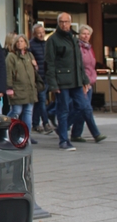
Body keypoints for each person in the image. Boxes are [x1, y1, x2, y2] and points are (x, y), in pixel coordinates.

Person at [45, 13, 106, 151]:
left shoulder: (73, 38)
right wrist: (53, 84)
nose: (64, 24)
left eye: (67, 22)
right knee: (63, 110)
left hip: (76, 81)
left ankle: (62, 128)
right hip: (62, 81)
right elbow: (49, 63)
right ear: (58, 23)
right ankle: (64, 140)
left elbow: (79, 63)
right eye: (62, 22)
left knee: (83, 106)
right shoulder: (53, 40)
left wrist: (85, 80)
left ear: (70, 23)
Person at [70, 24, 106, 144]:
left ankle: (75, 134)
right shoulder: (78, 47)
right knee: (87, 108)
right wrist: (84, 82)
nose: (85, 36)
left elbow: (91, 66)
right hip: (82, 82)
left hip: (89, 82)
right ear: (79, 35)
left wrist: (92, 79)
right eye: (83, 33)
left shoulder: (89, 48)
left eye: (88, 34)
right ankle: (96, 134)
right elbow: (79, 67)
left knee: (82, 109)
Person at [5, 34, 39, 144]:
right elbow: (8, 73)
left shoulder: (29, 55)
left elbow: (34, 73)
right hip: (17, 89)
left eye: (22, 41)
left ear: (26, 43)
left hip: (29, 90)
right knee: (16, 111)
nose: (20, 43)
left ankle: (26, 136)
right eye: (18, 41)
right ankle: (3, 127)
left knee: (28, 113)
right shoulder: (11, 56)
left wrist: (35, 66)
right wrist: (9, 88)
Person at [29, 24, 54, 134]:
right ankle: (45, 123)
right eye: (39, 32)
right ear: (34, 33)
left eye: (43, 32)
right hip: (38, 78)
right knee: (42, 100)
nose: (41, 34)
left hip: (47, 77)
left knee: (40, 102)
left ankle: (35, 123)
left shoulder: (47, 44)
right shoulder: (31, 45)